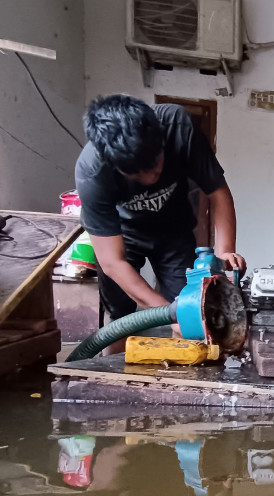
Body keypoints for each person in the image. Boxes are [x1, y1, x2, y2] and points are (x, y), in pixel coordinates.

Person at [75, 94, 246, 339]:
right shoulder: (92, 173)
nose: (150, 178)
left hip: (174, 231)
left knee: (194, 312)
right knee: (120, 319)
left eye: (156, 164)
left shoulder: (177, 125)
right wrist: (168, 313)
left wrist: (224, 252)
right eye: (137, 174)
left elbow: (217, 191)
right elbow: (112, 262)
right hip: (122, 235)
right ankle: (113, 374)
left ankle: (188, 374)